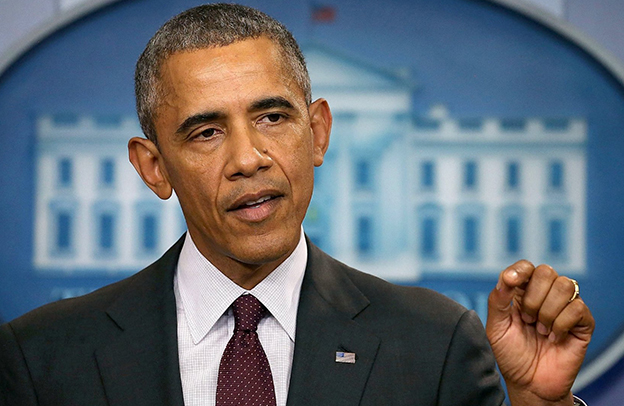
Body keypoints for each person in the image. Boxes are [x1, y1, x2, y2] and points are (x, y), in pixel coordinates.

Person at [0, 4, 594, 406]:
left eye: (273, 117)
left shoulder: (434, 342)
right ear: (153, 167)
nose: (249, 157)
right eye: (206, 132)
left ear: (319, 132)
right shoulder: (41, 358)